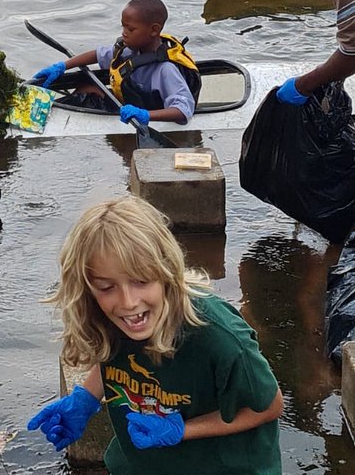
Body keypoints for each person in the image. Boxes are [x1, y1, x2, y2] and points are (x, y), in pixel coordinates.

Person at [27, 197, 283, 473]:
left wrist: (182, 430)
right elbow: (113, 357)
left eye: (141, 281)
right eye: (106, 287)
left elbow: (269, 407)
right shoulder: (113, 318)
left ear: (166, 271)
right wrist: (87, 397)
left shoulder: (219, 337)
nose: (127, 302)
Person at [30, 0, 199, 126]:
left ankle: (53, 119)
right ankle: (49, 112)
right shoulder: (129, 50)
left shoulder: (165, 69)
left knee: (87, 97)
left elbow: (183, 111)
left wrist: (145, 116)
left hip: (147, 112)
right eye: (123, 26)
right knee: (85, 86)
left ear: (154, 30)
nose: (124, 32)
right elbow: (97, 54)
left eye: (131, 28)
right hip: (128, 104)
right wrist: (62, 66)